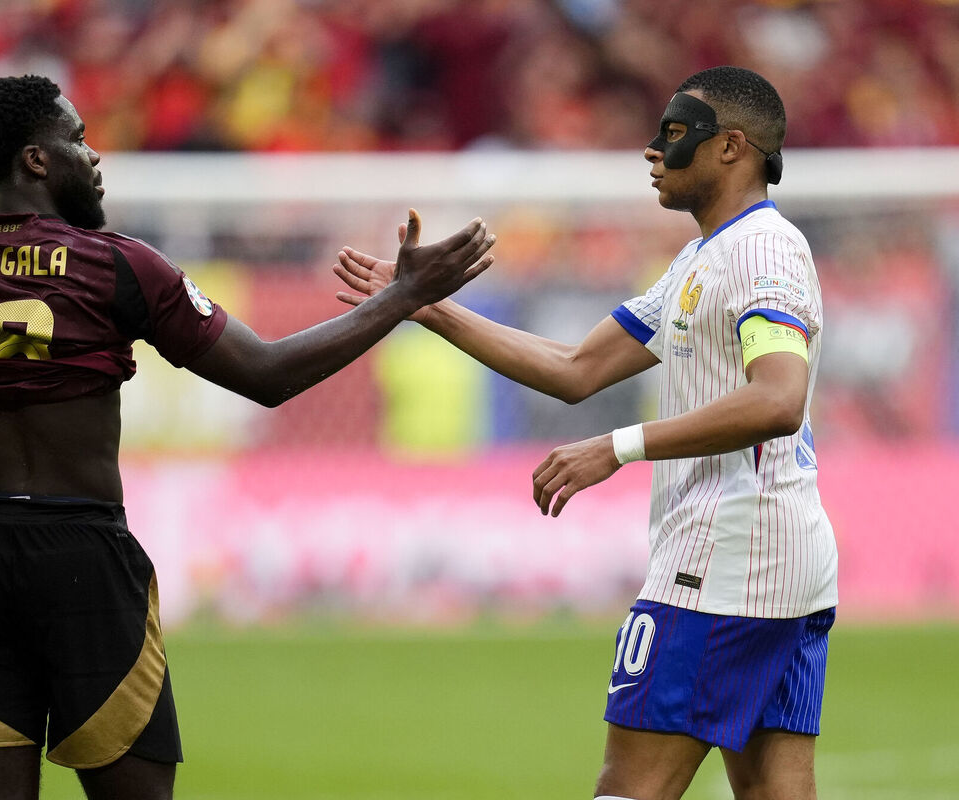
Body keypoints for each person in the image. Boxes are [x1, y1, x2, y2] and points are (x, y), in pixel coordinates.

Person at [0, 74, 494, 800]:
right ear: (35, 159)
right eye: (78, 139)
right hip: (82, 559)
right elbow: (269, 374)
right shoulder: (115, 265)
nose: (94, 157)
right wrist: (403, 297)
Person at [335, 65, 837, 800]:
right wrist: (422, 306)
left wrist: (619, 446)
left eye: (674, 133)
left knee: (626, 790)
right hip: (777, 559)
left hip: (722, 562)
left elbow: (778, 398)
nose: (653, 150)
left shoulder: (762, 250)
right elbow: (575, 367)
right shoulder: (703, 259)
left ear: (731, 146)